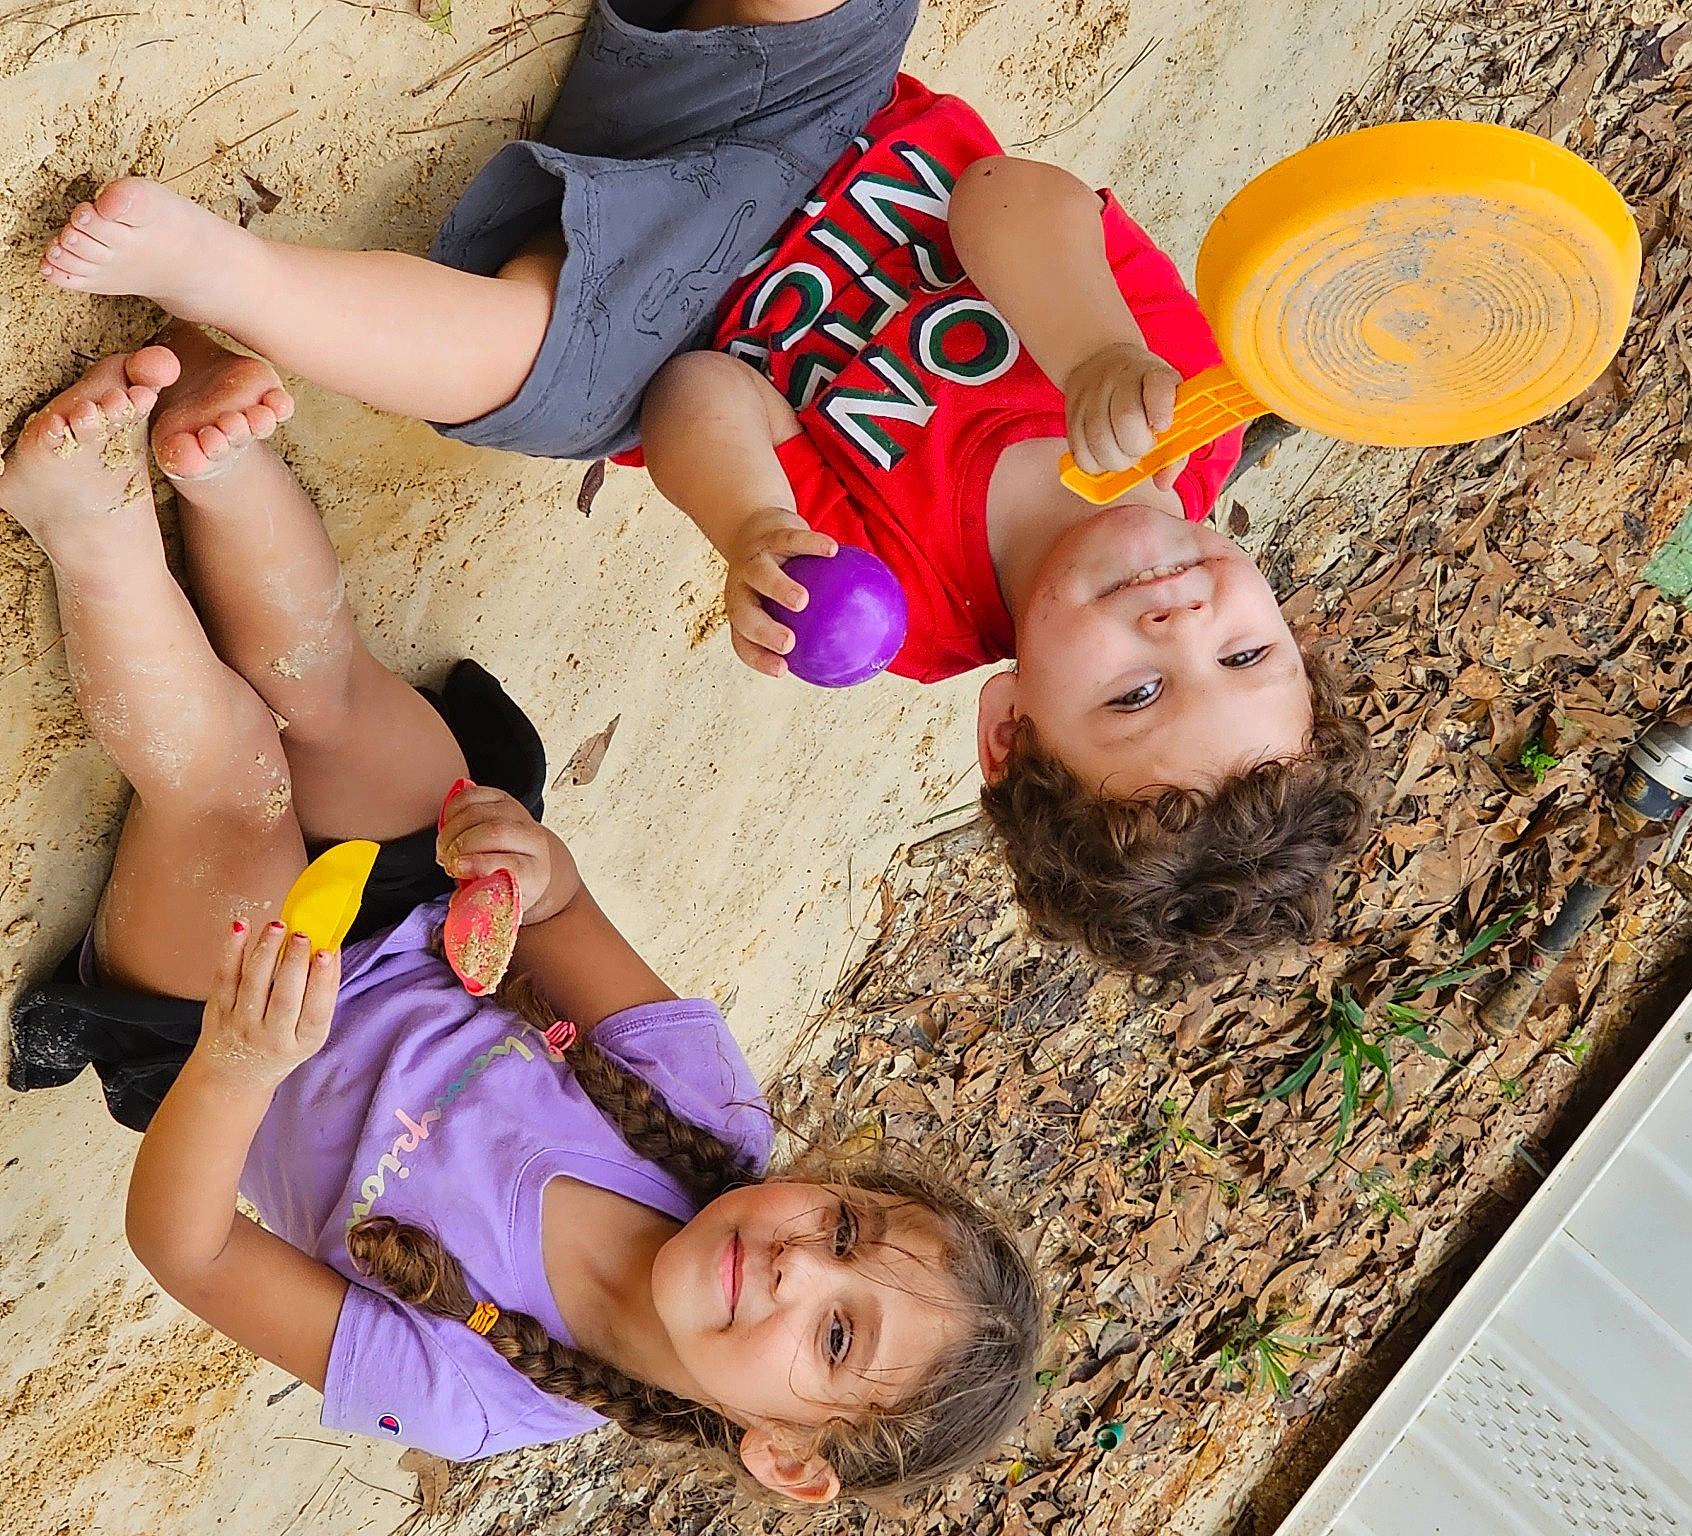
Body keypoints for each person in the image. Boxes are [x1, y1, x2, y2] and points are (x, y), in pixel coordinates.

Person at [33, 0, 1371, 979]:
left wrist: (752, 525)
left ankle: (233, 277)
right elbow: (1007, 197)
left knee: (517, 370)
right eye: (1244, 647)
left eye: (1135, 693)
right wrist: (1089, 348)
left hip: (666, 303)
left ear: (1012, 728)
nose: (1178, 622)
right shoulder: (1170, 401)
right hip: (805, 109)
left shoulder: (898, 613)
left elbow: (695, 400)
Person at [0, 333, 1040, 1495]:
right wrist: (521, 870)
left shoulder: (473, 1396)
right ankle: (215, 454)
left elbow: (185, 1248)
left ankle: (87, 525)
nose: (797, 1264)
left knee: (237, 782)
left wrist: (242, 1063)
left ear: (788, 1457)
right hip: (403, 903)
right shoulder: (709, 1110)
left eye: (834, 1338)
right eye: (844, 1229)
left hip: (223, 1027)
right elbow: (560, 909)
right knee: (330, 692)